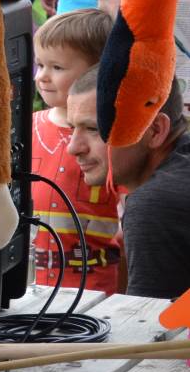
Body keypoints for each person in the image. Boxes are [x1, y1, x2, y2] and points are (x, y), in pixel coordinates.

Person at [65, 70, 190, 300]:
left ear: (155, 130)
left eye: (94, 129)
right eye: (72, 128)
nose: (72, 147)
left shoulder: (155, 205)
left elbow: (148, 320)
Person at [28, 10, 123, 293]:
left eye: (57, 67)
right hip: (32, 285)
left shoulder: (110, 139)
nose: (42, 77)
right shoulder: (27, 127)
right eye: (39, 65)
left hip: (92, 287)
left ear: (96, 72)